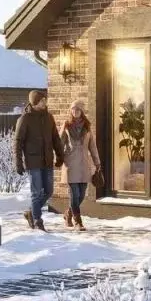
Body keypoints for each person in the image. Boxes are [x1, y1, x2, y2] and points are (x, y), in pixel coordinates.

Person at [13, 90, 64, 232]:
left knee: (48, 191)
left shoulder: (49, 118)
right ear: (35, 102)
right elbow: (18, 142)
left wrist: (60, 155)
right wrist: (18, 162)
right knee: (36, 193)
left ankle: (31, 212)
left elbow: (55, 139)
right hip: (33, 162)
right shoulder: (25, 119)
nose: (44, 102)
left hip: (47, 160)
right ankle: (37, 220)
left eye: (45, 100)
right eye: (42, 100)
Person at [59, 99, 100, 231]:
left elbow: (92, 146)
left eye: (77, 109)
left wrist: (97, 162)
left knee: (81, 194)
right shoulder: (66, 126)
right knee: (74, 194)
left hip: (83, 164)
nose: (74, 111)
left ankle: (68, 214)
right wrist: (59, 158)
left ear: (81, 111)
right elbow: (59, 144)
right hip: (70, 163)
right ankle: (78, 221)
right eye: (72, 109)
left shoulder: (87, 127)